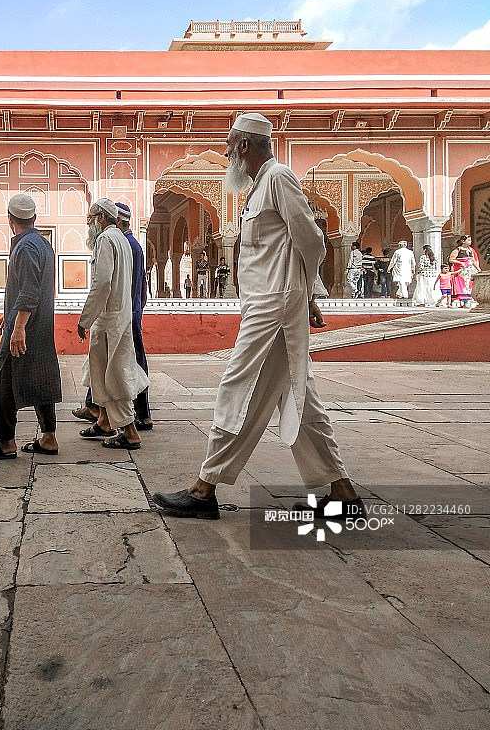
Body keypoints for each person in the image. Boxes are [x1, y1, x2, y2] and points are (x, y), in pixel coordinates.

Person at [152, 112, 364, 521]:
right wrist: (304, 296)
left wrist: (306, 293)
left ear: (245, 145)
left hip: (273, 305)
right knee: (300, 395)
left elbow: (312, 239)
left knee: (236, 386)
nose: (227, 152)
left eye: (230, 145)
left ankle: (204, 488)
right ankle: (342, 490)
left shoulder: (279, 178)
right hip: (270, 303)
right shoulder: (260, 186)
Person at [0, 194, 61, 460]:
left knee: (3, 382)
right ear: (34, 218)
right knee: (41, 378)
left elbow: (30, 292)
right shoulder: (44, 245)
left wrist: (18, 326)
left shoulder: (24, 247)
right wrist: (10, 315)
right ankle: (48, 437)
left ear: (10, 219)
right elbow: (32, 289)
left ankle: (5, 442)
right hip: (41, 326)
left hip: (25, 328)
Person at [77, 198, 149, 450]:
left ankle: (130, 432)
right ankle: (105, 421)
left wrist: (85, 319)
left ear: (101, 217)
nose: (89, 223)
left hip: (108, 320)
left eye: (91, 218)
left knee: (115, 374)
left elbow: (103, 283)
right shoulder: (122, 240)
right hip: (119, 317)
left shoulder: (106, 240)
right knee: (101, 372)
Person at [449, 235, 480, 308]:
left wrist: (478, 269)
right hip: (460, 272)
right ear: (463, 241)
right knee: (461, 286)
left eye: (470, 240)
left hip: (468, 272)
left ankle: (466, 302)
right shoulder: (458, 250)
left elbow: (473, 261)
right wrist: (460, 263)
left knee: (467, 286)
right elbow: (451, 259)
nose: (470, 242)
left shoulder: (470, 250)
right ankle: (463, 302)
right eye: (468, 240)